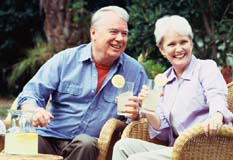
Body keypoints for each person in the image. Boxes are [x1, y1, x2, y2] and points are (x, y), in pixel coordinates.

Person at [16, 6, 147, 160]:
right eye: (114, 32)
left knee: (86, 144)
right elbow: (30, 94)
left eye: (124, 34)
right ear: (93, 33)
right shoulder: (65, 60)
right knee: (21, 143)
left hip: (88, 147)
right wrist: (35, 111)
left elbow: (143, 118)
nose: (120, 38)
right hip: (49, 137)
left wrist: (137, 113)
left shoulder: (135, 72)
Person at [112, 15, 233, 160]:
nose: (179, 49)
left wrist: (217, 116)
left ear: (191, 43)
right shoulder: (163, 81)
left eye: (183, 42)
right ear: (162, 50)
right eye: (171, 44)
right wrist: (148, 109)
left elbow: (217, 96)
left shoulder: (206, 68)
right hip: (176, 148)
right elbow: (162, 133)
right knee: (122, 146)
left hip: (206, 148)